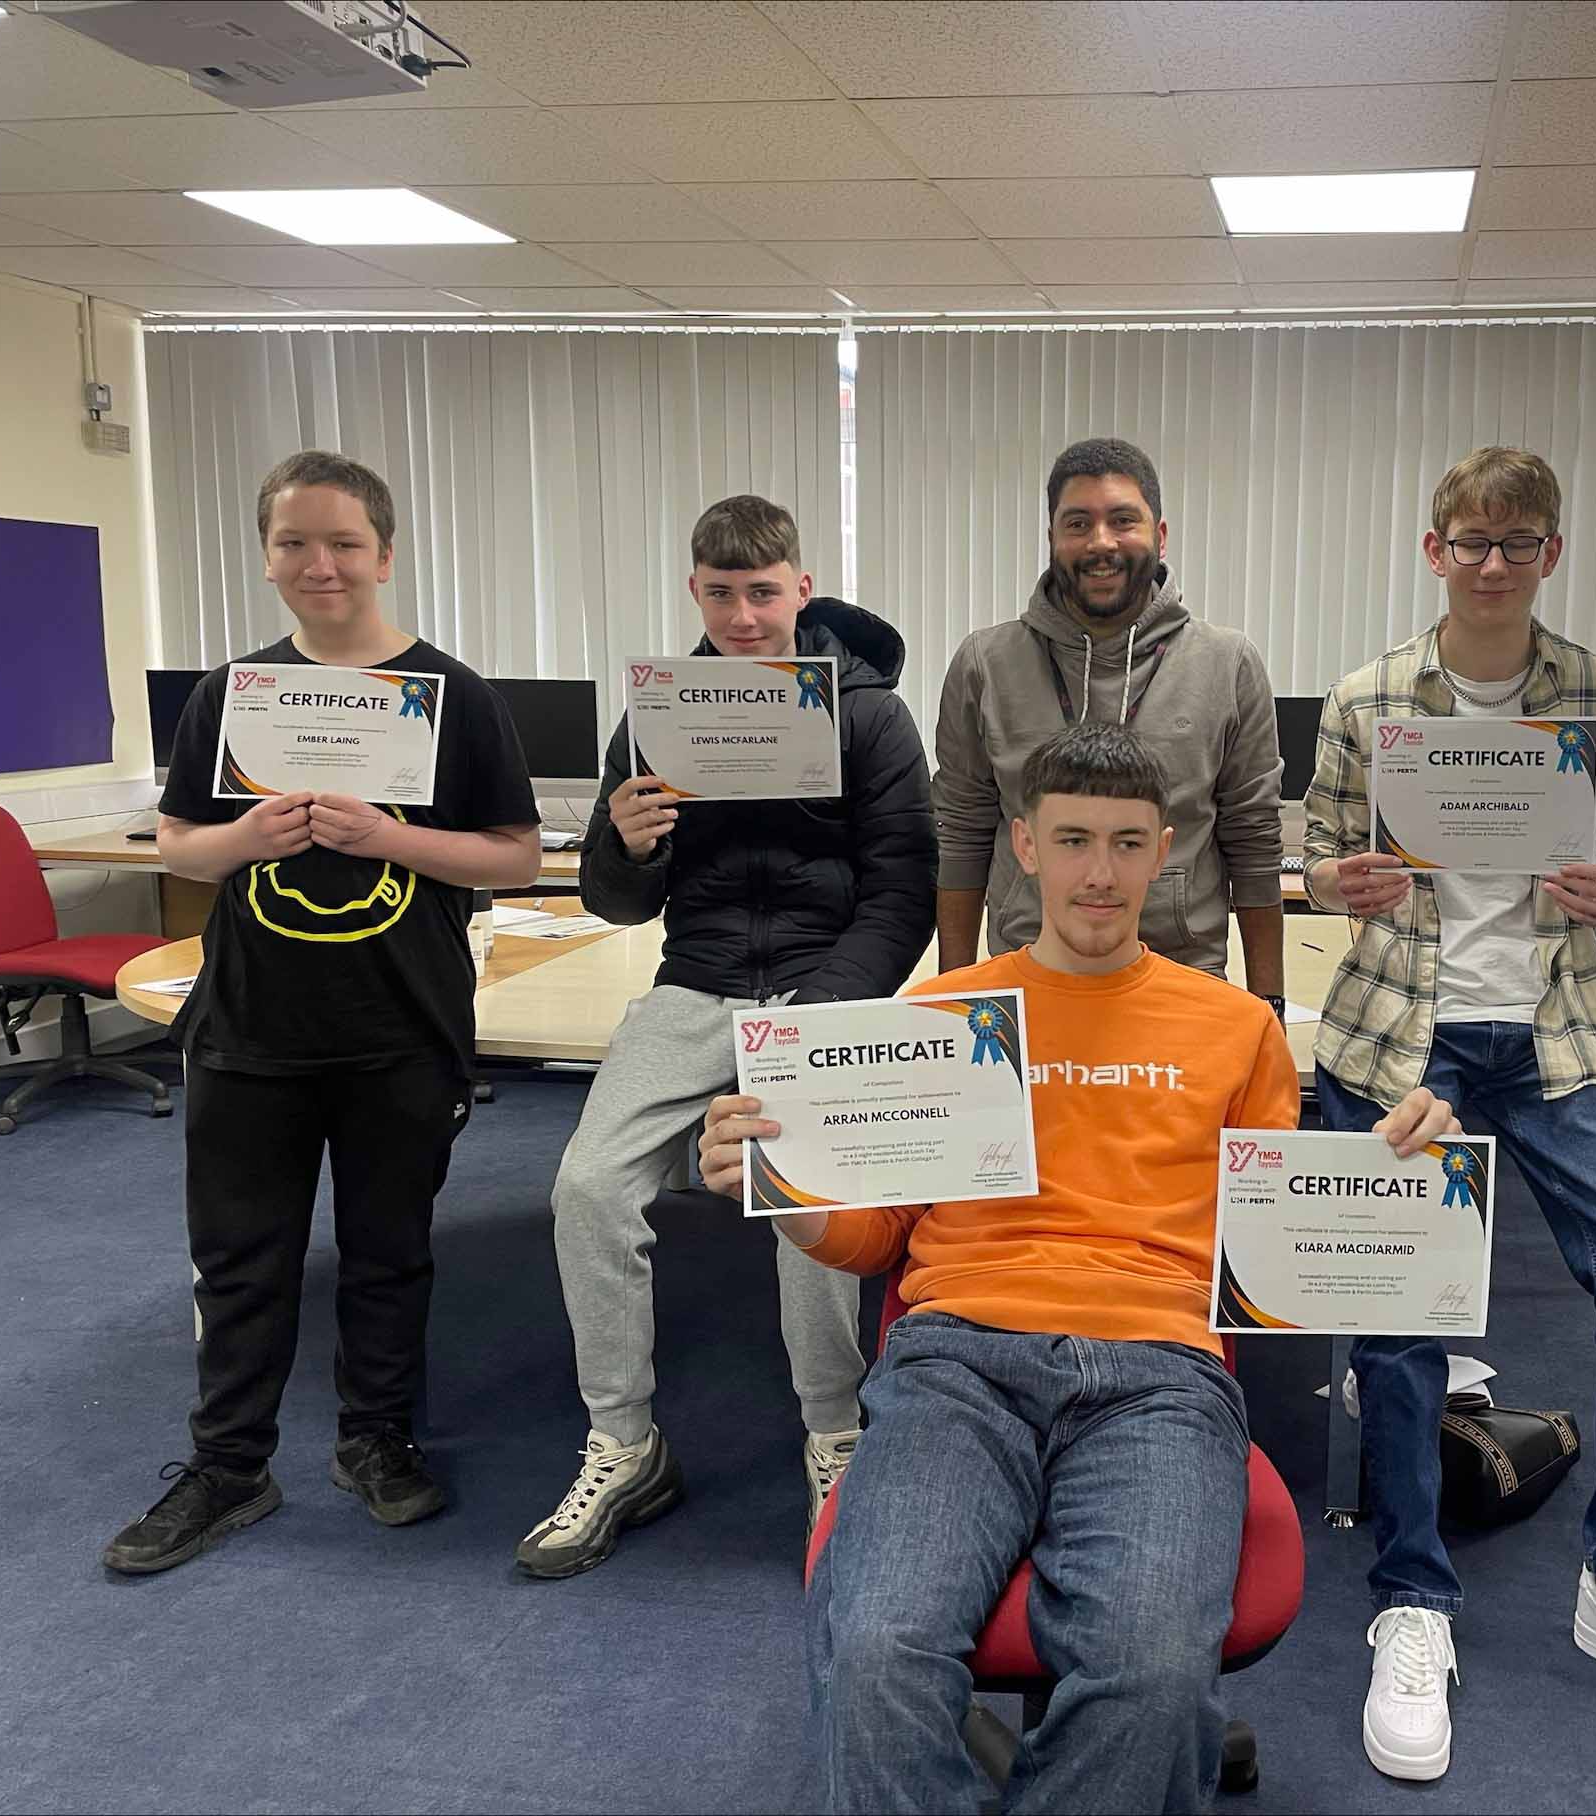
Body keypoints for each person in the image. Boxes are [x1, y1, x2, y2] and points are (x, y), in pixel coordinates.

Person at [702, 724, 1454, 1813]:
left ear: (1166, 853)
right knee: (872, 1646)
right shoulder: (939, 1017)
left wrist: (1405, 1181)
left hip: (1158, 1375)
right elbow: (873, 1242)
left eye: (1124, 842)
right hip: (956, 1360)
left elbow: (1278, 1250)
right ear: (1023, 845)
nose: (1097, 873)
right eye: (1070, 840)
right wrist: (785, 1195)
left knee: (1149, 1674)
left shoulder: (1238, 1029)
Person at [1304, 447, 1596, 1773]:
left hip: (1554, 1041)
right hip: (1404, 1040)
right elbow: (1317, 858)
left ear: (1551, 555)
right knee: (1399, 1324)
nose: (1493, 561)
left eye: (1518, 542)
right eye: (1471, 540)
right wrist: (1343, 882)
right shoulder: (1370, 698)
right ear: (1434, 547)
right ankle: (1410, 1596)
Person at [103, 449, 540, 1574]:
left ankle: (376, 1438)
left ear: (383, 554)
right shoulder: (232, 696)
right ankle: (228, 1466)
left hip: (403, 1024)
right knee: (241, 1260)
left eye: (343, 542)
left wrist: (386, 836)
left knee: (390, 1254)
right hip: (251, 1028)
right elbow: (179, 841)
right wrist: (245, 839)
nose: (320, 563)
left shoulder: (454, 697)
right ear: (266, 557)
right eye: (295, 541)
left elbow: (514, 854)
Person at [517, 494, 935, 1578]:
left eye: (762, 591)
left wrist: (823, 1008)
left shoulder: (870, 715)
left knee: (798, 1185)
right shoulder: (657, 713)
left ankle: (833, 1429)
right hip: (692, 984)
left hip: (819, 984)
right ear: (693, 593)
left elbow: (903, 893)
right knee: (585, 1188)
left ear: (800, 587)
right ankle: (624, 1439)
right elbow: (617, 906)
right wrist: (624, 844)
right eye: (720, 593)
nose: (743, 617)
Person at [932, 436, 1286, 1010]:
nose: (1101, 543)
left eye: (1123, 520)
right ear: (1052, 539)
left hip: (1182, 977)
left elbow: (1253, 839)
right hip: (1024, 984)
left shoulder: (1227, 663)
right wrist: (953, 994)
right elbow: (963, 834)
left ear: (1160, 534)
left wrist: (1269, 998)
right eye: (1078, 524)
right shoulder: (986, 664)